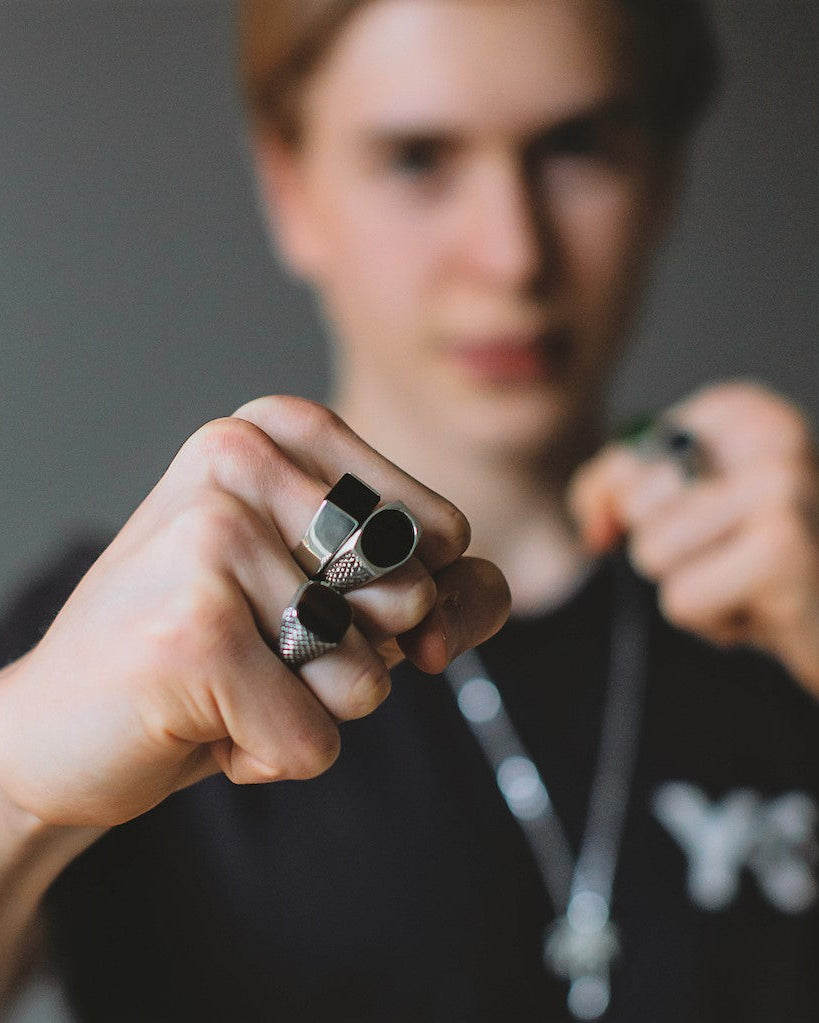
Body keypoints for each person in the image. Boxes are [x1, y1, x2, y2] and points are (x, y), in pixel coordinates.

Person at [2, 0, 819, 1020]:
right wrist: (17, 784)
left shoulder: (793, 606)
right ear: (291, 190)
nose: (512, 255)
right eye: (418, 159)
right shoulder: (121, 644)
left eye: (577, 148)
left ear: (664, 178)